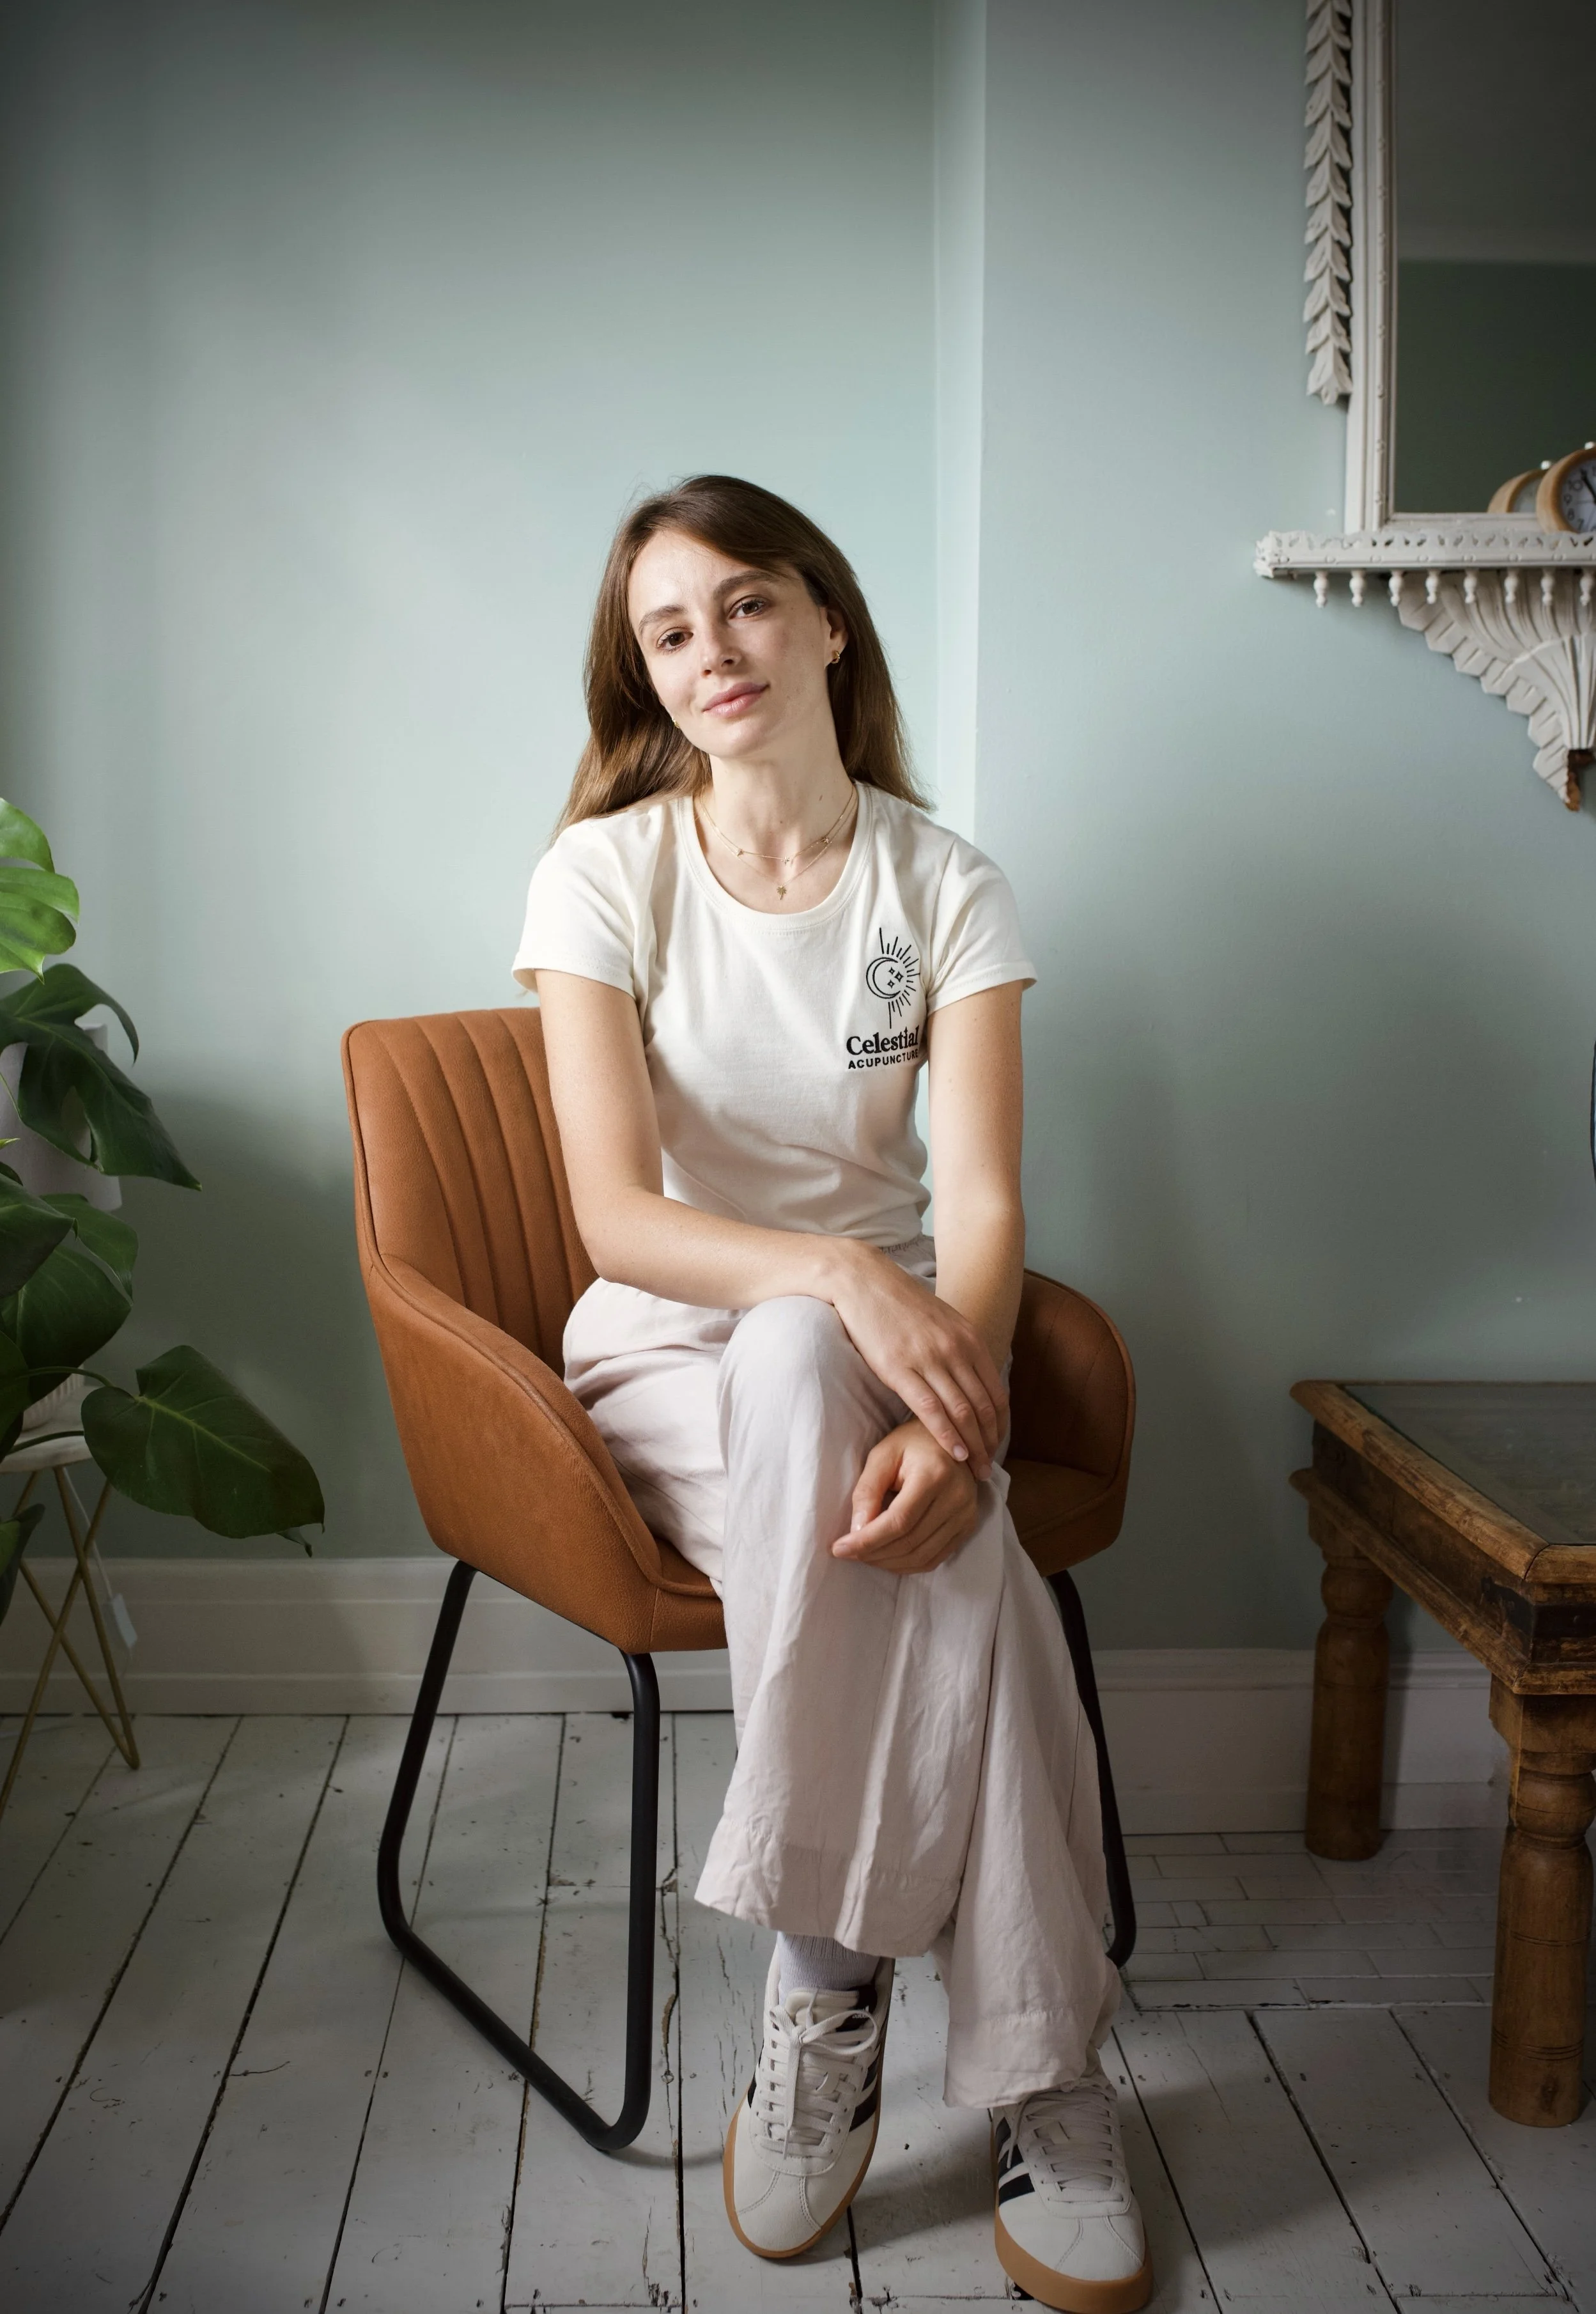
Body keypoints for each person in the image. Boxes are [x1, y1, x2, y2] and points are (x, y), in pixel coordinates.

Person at [513, 474, 1152, 2313]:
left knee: (902, 1473)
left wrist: (957, 1419)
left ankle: (822, 1986)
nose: (713, 649)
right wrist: (842, 1271)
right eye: (669, 627)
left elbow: (990, 1205)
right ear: (641, 673)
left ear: (828, 621)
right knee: (864, 1425)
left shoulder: (943, 880)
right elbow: (616, 1211)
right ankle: (1046, 2073)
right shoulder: (602, 870)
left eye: (747, 605)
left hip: (879, 1366)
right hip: (666, 1340)